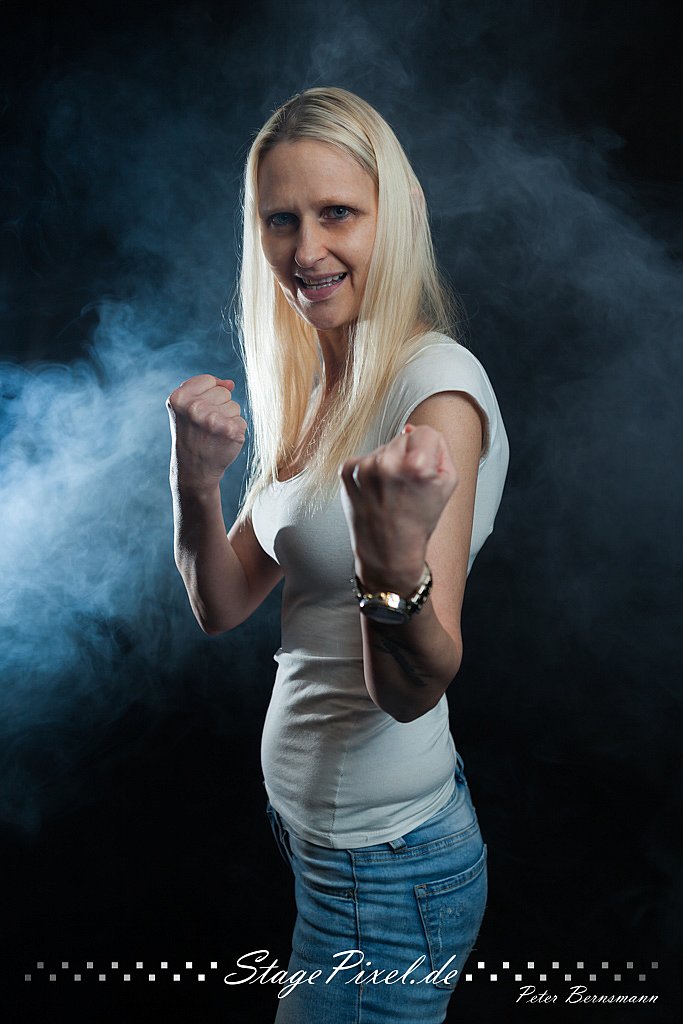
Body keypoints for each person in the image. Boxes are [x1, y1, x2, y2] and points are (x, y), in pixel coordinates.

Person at [166, 87, 509, 1023]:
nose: (305, 251)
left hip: (388, 870)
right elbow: (222, 601)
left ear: (397, 216)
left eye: (337, 214)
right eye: (281, 220)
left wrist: (390, 565)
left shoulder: (434, 393)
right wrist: (194, 480)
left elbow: (413, 689)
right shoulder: (321, 374)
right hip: (320, 844)